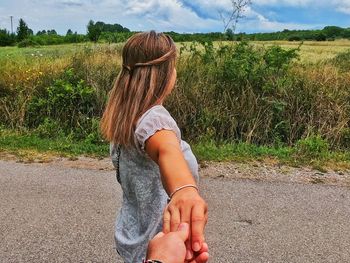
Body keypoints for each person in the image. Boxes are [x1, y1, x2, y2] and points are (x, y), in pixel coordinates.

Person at [101, 31, 208, 263]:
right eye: (173, 66)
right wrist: (184, 190)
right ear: (165, 74)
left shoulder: (123, 115)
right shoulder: (154, 119)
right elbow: (166, 148)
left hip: (131, 235)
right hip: (160, 244)